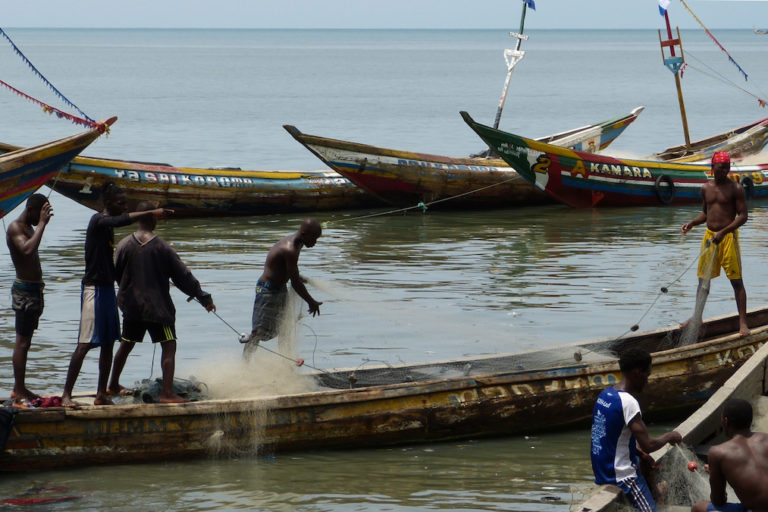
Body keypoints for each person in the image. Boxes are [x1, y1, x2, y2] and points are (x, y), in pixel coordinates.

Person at [61, 183, 173, 407]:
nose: (123, 206)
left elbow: (112, 269)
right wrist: (150, 212)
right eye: (120, 203)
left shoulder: (108, 228)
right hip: (93, 290)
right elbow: (120, 221)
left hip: (107, 289)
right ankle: (66, 395)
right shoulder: (98, 221)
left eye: (125, 202)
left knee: (109, 343)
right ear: (108, 203)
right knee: (84, 343)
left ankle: (102, 394)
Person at [107, 201, 215, 403]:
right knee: (169, 345)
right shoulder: (162, 248)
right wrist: (203, 297)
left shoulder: (123, 245)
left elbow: (117, 275)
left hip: (132, 309)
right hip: (158, 310)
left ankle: (112, 384)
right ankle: (167, 393)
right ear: (153, 218)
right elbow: (183, 277)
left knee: (126, 345)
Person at [591, 347, 682, 511]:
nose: (647, 380)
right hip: (620, 475)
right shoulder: (629, 402)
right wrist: (670, 436)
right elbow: (649, 445)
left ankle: (657, 494)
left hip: (601, 470)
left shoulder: (605, 395)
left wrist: (641, 454)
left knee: (643, 460)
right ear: (637, 373)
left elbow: (614, 438)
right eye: (647, 375)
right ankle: (656, 497)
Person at [681, 151, 750, 337]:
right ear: (712, 168)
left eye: (727, 168)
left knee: (736, 281)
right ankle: (697, 317)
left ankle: (743, 323)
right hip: (710, 238)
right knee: (702, 281)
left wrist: (723, 232)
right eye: (721, 168)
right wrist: (692, 223)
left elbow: (743, 216)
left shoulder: (735, 188)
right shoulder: (706, 188)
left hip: (728, 238)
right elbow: (706, 213)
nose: (724, 172)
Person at [242, 218, 323, 356]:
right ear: (304, 234)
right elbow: (295, 283)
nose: (315, 243)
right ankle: (244, 367)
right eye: (314, 239)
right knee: (258, 333)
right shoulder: (290, 249)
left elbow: (288, 271)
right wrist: (311, 302)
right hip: (267, 290)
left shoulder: (299, 243)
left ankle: (286, 365)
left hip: (280, 289)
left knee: (285, 329)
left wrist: (299, 278)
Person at [5, 194, 53, 407]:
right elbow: (26, 249)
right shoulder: (16, 227)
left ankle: (21, 388)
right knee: (21, 342)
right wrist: (42, 225)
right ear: (31, 209)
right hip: (24, 292)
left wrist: (40, 225)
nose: (41, 218)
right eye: (40, 214)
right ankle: (18, 389)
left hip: (33, 291)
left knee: (27, 341)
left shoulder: (29, 228)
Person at [691, 398, 768, 512]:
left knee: (698, 508)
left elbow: (718, 501)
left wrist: (716, 475)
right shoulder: (766, 438)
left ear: (725, 421)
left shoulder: (718, 452)